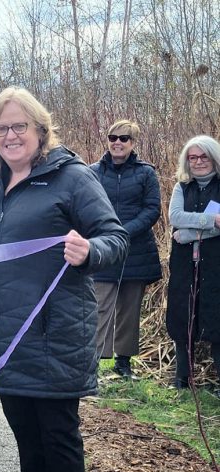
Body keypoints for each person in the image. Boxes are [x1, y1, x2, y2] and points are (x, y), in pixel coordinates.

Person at [0, 87, 128, 472]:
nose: (10, 135)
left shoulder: (72, 177)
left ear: (40, 129)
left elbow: (115, 237)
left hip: (53, 338)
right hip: (5, 340)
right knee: (28, 447)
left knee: (58, 447)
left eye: (19, 126)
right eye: (1, 128)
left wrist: (90, 251)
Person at [90, 120, 162, 377]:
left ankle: (123, 363)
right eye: (113, 137)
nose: (117, 142)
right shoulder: (93, 172)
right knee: (98, 306)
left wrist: (125, 231)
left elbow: (152, 209)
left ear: (133, 143)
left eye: (124, 138)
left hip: (136, 251)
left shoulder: (146, 173)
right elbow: (84, 206)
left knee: (130, 310)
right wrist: (105, 233)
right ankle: (94, 363)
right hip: (103, 249)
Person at [166, 135, 220, 394]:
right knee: (182, 316)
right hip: (185, 265)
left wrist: (187, 233)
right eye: (193, 157)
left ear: (213, 158)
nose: (198, 162)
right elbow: (175, 216)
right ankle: (182, 378)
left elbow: (182, 225)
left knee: (216, 318)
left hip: (215, 265)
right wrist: (211, 221)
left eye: (203, 157)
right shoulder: (182, 187)